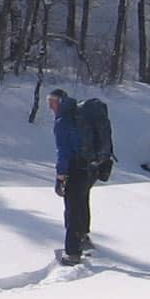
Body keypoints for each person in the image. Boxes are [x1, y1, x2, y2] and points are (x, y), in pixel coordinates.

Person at [48, 88, 94, 266]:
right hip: (90, 166)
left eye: (52, 101)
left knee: (72, 208)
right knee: (81, 202)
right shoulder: (78, 115)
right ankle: (83, 238)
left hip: (76, 167)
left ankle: (73, 253)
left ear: (60, 101)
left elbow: (64, 151)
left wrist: (61, 175)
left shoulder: (63, 120)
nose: (50, 105)